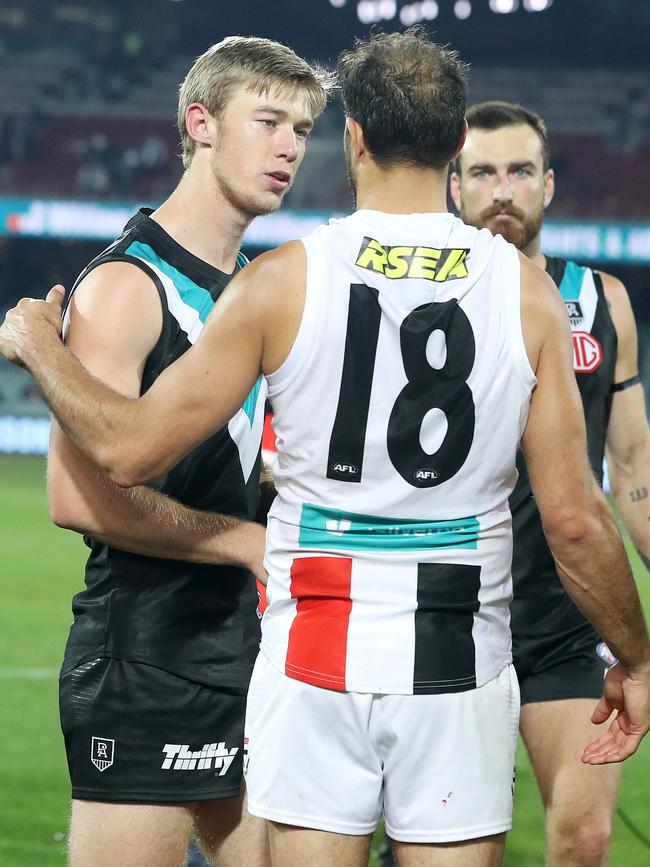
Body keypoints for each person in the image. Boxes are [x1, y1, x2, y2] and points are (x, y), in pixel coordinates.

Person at [2, 29, 650, 867]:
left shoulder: (283, 278)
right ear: (458, 146)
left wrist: (40, 346)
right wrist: (635, 655)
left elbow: (128, 447)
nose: (290, 146)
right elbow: (572, 517)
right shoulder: (528, 292)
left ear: (353, 138)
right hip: (456, 652)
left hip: (315, 647)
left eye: (305, 129)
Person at [12, 37, 328, 867]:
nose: (291, 145)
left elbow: (234, 459)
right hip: (148, 651)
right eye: (268, 120)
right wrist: (246, 542)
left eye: (301, 127)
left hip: (251, 646)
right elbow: (77, 499)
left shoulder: (252, 283)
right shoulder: (127, 285)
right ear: (202, 123)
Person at [449, 100, 650, 867]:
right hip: (451, 612)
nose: (503, 190)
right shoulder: (418, 304)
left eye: (520, 172)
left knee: (586, 837)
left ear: (550, 185)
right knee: (453, 845)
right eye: (483, 173)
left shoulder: (602, 303)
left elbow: (633, 466)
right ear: (455, 189)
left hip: (564, 617)